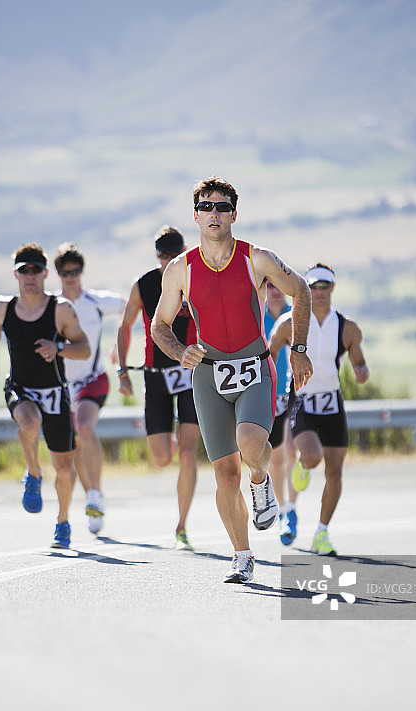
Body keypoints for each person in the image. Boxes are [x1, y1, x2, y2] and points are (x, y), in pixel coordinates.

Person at [151, 176, 312, 584]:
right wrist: (179, 351)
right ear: (195, 216)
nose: (214, 214)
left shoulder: (257, 259)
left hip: (254, 366)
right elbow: (159, 325)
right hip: (208, 374)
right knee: (224, 473)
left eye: (222, 207)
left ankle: (261, 479)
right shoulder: (180, 268)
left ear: (234, 214)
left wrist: (298, 348)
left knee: (250, 443)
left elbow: (301, 291)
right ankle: (242, 556)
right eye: (206, 207)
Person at [0, 243, 90, 548]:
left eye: (35, 270)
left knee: (64, 468)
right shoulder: (3, 307)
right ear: (15, 274)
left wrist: (59, 348)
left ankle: (63, 522)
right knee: (29, 423)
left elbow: (84, 349)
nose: (30, 276)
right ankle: (34, 472)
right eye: (23, 270)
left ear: (45, 273)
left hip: (54, 393)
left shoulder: (61, 309)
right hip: (20, 388)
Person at [270, 263, 369, 556]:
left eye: (324, 286)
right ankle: (303, 465)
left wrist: (361, 372)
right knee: (312, 457)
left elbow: (359, 363)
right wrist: (267, 389)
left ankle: (322, 533)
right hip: (302, 400)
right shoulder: (289, 323)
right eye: (313, 286)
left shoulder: (347, 327)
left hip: (333, 401)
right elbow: (270, 355)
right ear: (306, 289)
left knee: (335, 473)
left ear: (332, 288)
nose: (319, 292)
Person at [114, 226, 201, 551]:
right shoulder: (145, 284)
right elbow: (124, 326)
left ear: (183, 252)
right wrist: (123, 371)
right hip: (155, 377)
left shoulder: (196, 280)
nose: (168, 261)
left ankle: (182, 527)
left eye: (173, 255)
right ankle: (176, 436)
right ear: (157, 256)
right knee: (163, 458)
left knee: (188, 453)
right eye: (163, 256)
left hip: (191, 374)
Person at [54, 243, 125, 535]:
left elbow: (127, 306)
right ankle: (92, 500)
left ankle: (95, 493)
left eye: (75, 271)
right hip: (63, 387)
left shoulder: (96, 301)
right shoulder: (53, 306)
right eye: (64, 272)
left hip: (93, 380)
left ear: (82, 271)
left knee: (85, 428)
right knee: (73, 446)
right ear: (57, 274)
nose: (70, 277)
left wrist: (118, 345)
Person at [264, 282, 299, 545]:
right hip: (269, 393)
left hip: (295, 390)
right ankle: (282, 509)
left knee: (291, 450)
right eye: (269, 285)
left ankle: (292, 509)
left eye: (279, 286)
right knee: (276, 461)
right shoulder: (257, 316)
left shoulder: (295, 315)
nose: (275, 290)